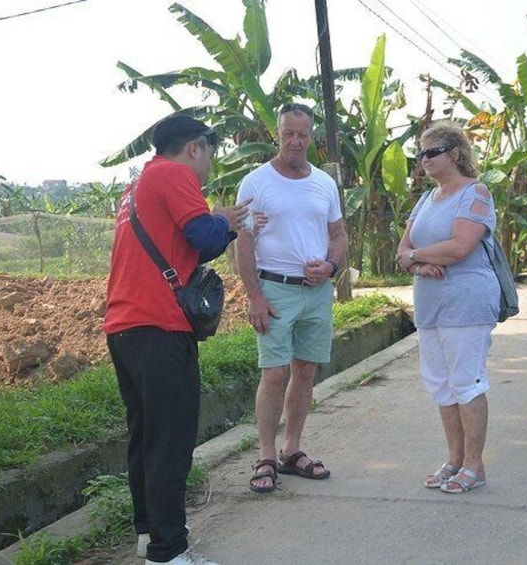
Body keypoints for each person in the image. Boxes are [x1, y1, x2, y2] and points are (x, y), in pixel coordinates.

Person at [104, 114, 251, 565]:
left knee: (146, 439)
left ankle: (151, 535)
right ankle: (168, 553)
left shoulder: (137, 186)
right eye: (210, 151)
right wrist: (225, 220)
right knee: (170, 442)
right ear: (195, 148)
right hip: (161, 327)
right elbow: (202, 238)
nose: (209, 163)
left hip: (126, 328)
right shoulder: (175, 174)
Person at [236, 102, 348, 494]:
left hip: (316, 292)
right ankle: (265, 455)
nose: (296, 141)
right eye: (288, 134)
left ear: (311, 136)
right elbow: (244, 241)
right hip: (275, 290)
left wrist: (331, 268)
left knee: (305, 372)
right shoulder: (256, 182)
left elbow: (338, 235)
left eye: (302, 134)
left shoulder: (324, 183)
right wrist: (254, 296)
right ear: (277, 134)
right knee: (274, 372)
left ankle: (292, 450)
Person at [396, 122, 499, 494]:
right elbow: (401, 252)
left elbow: (460, 247)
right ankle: (454, 459)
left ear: (455, 153)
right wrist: (420, 263)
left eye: (431, 152)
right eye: (420, 153)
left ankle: (475, 463)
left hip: (467, 303)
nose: (423, 160)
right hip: (430, 304)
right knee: (441, 384)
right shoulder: (426, 199)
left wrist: (416, 255)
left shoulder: (476, 193)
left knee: (466, 382)